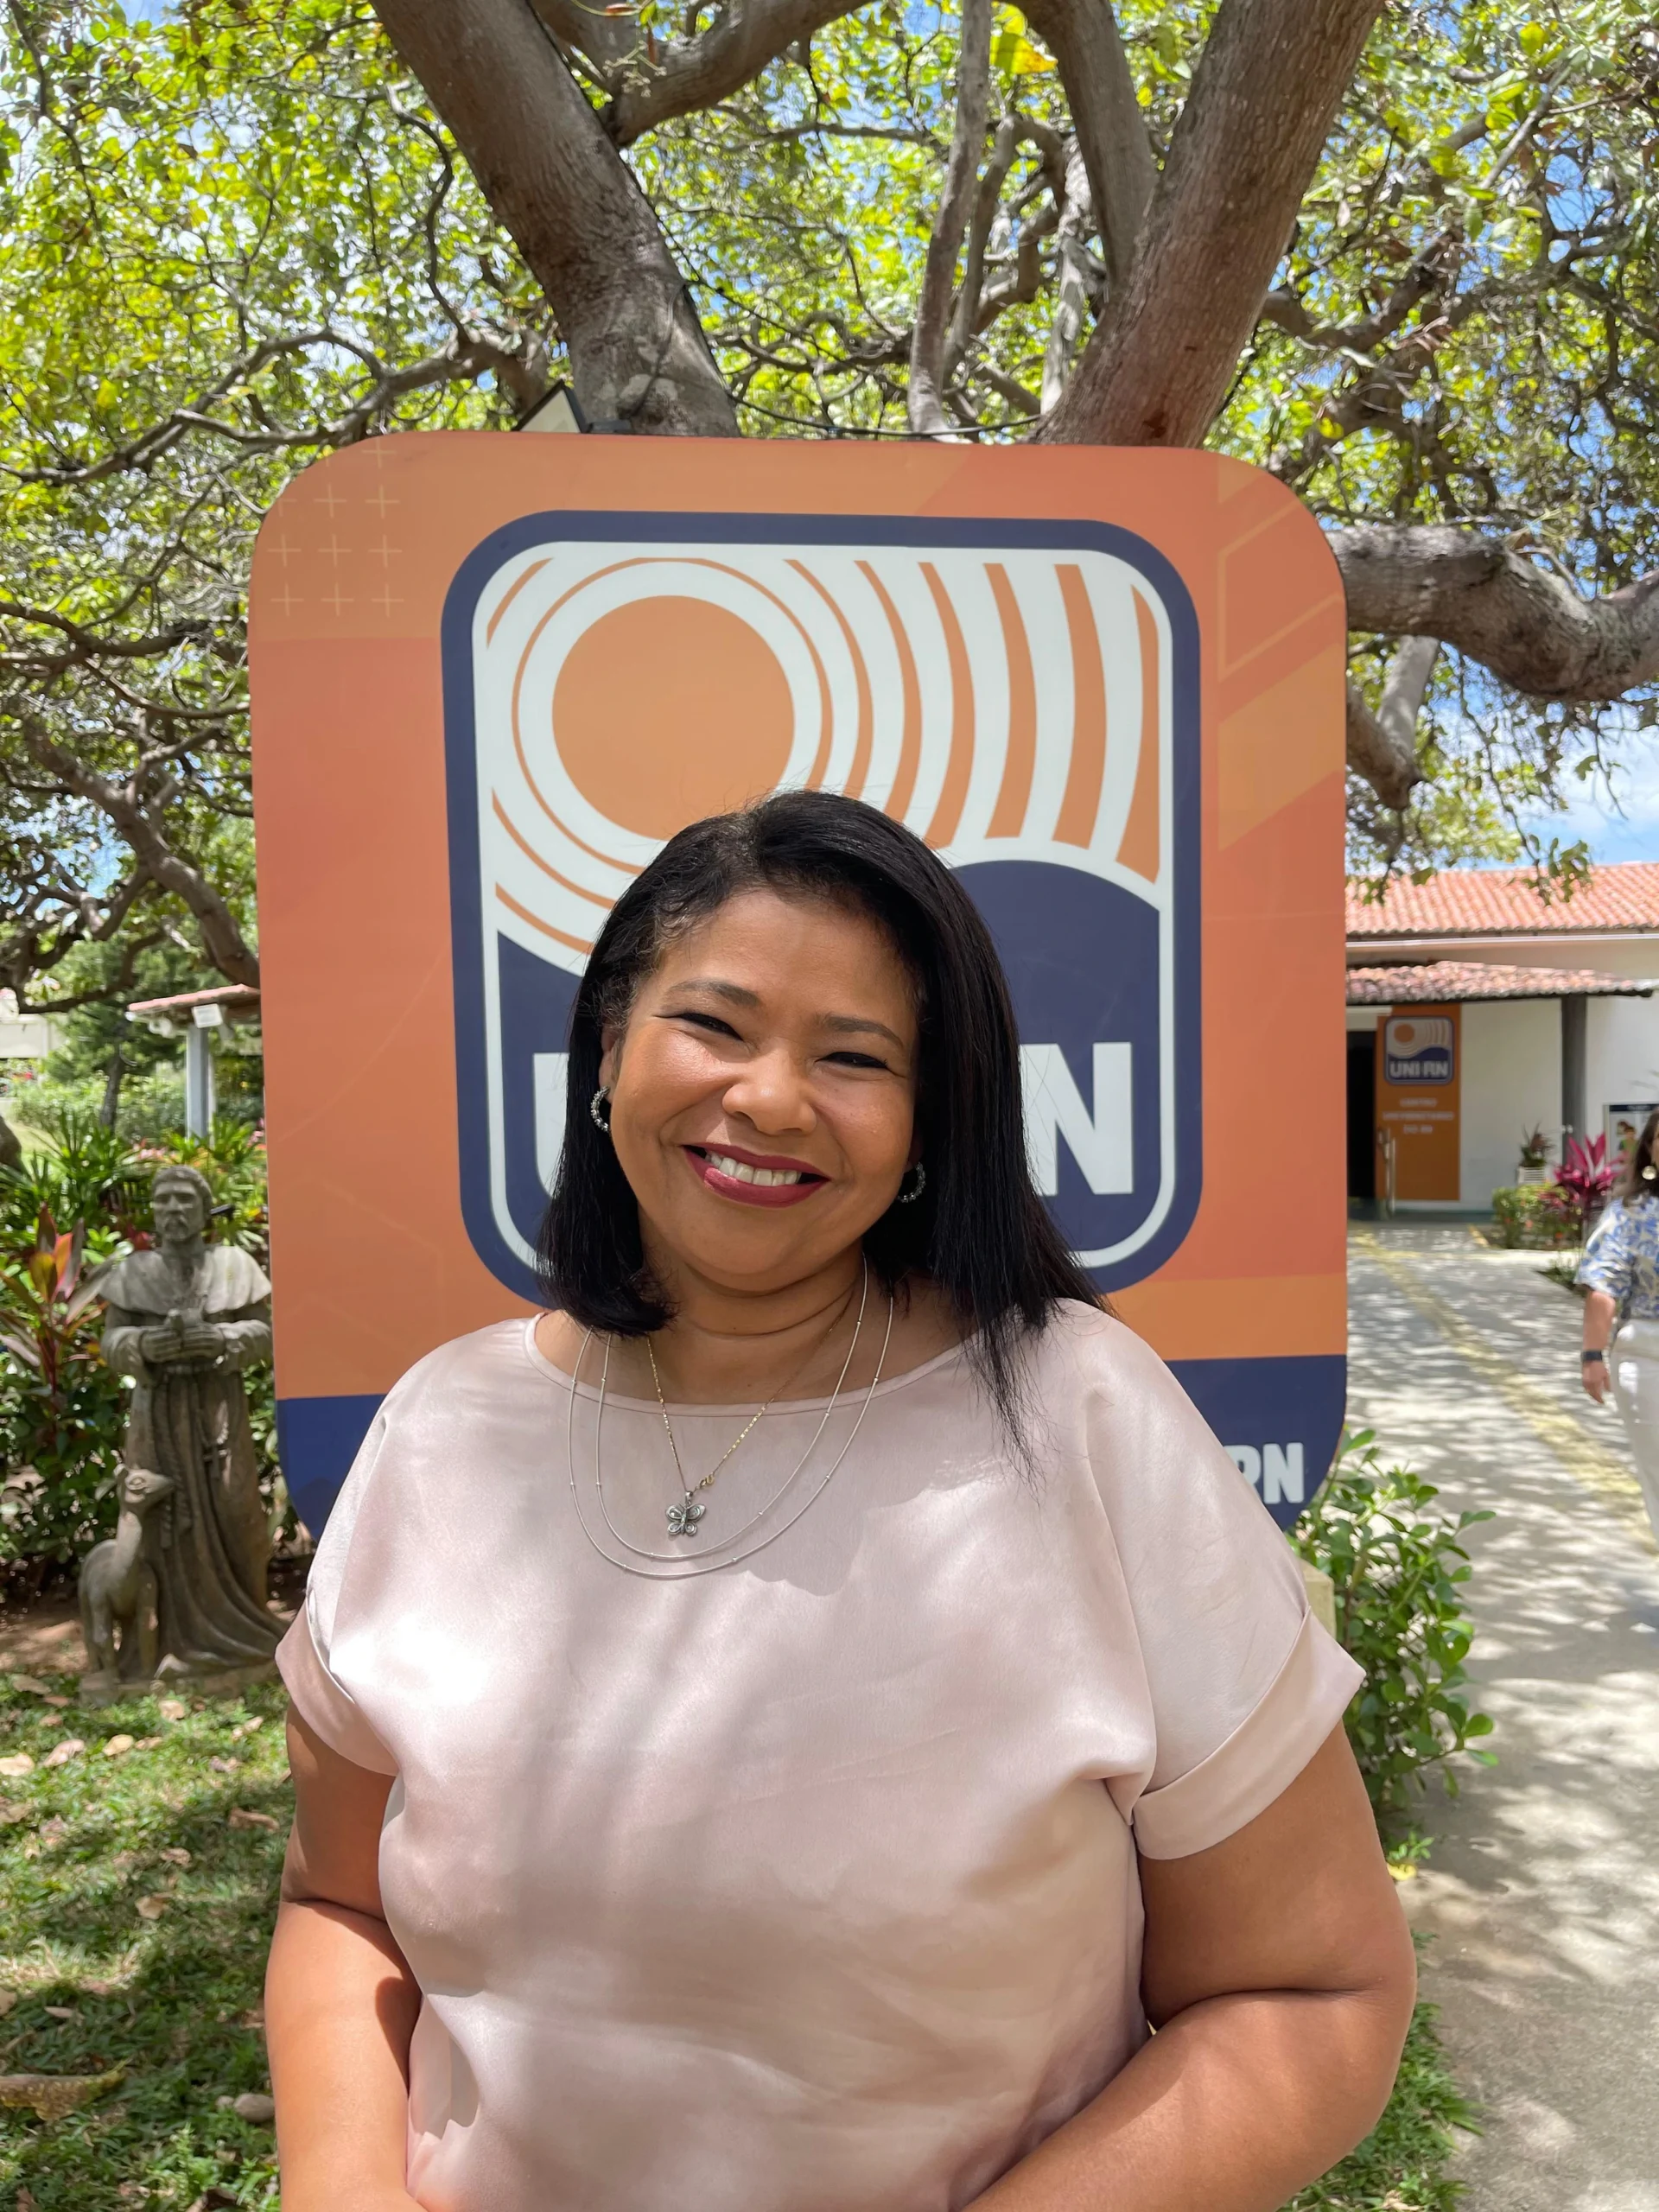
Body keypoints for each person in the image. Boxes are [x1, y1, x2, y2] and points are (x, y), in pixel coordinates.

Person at [266, 791, 1414, 2212]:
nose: (768, 1098)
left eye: (854, 1056)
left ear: (929, 1120)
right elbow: (337, 1906)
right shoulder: (444, 1428)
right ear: (609, 1049)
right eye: (716, 1024)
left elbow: (1308, 1991)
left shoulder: (1080, 1415)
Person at [100, 1163, 281, 1674]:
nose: (173, 1209)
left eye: (185, 1199)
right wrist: (142, 1345)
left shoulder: (233, 1264)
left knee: (236, 1512)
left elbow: (266, 1333)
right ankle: (166, 1642)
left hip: (218, 1407)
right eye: (164, 1200)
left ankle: (242, 1630)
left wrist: (222, 1337)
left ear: (204, 1211)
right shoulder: (134, 1273)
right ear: (153, 1212)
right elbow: (111, 1342)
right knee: (161, 1521)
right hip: (156, 1413)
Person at [1579, 1104, 1659, 1540]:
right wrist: (1592, 1355)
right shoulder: (1630, 1215)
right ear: (1650, 1151)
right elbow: (1603, 1288)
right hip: (1649, 1358)